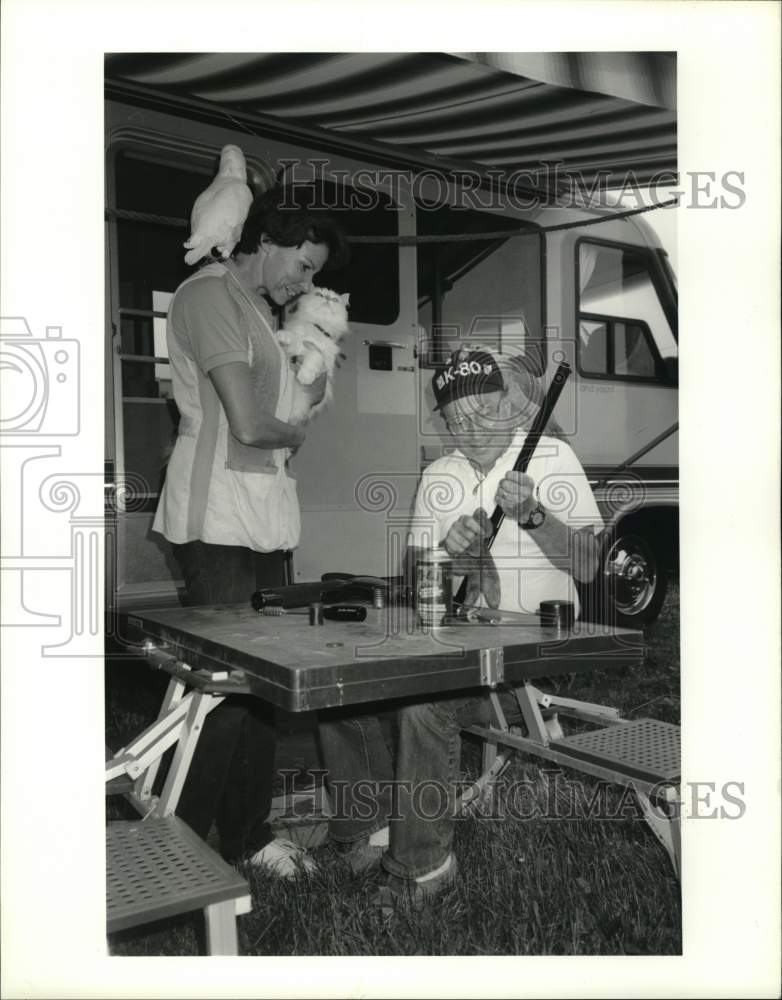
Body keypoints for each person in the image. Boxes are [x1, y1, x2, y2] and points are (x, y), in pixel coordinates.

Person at [152, 185, 348, 878]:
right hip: (215, 516)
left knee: (263, 688)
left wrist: (309, 393)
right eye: (302, 263)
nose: (307, 280)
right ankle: (185, 842)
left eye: (313, 271)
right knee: (225, 692)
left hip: (261, 516)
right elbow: (249, 422)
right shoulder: (208, 297)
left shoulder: (261, 314)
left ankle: (247, 832)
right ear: (264, 241)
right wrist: (293, 432)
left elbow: (286, 401)